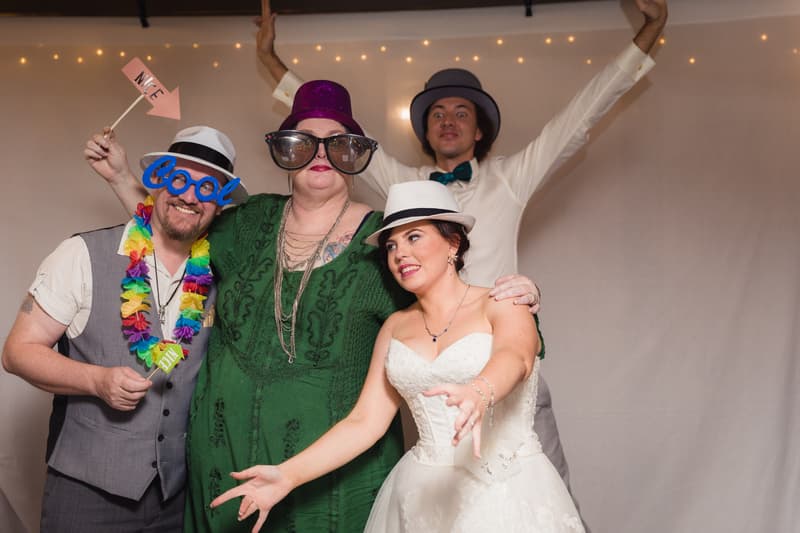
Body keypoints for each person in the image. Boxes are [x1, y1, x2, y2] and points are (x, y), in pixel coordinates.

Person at [257, 0, 668, 501]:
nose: (448, 122)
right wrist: (273, 61)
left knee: (546, 498)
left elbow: (579, 116)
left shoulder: (510, 179)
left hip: (505, 370)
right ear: (425, 130)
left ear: (480, 130)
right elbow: (336, 131)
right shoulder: (403, 186)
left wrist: (650, 31)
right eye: (437, 114)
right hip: (431, 379)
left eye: (461, 113)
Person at [211, 180, 583, 533]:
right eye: (391, 245)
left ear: (453, 243)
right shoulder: (393, 327)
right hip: (422, 495)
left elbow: (515, 357)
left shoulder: (503, 302)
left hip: (507, 490)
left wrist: (479, 391)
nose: (400, 253)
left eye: (414, 237)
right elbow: (364, 422)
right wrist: (288, 475)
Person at [1, 125, 247, 532]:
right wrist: (95, 380)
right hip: (87, 493)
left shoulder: (220, 274)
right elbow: (17, 352)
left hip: (177, 498)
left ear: (220, 205)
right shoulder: (82, 254)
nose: (189, 196)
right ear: (156, 184)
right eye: (178, 180)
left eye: (207, 188)